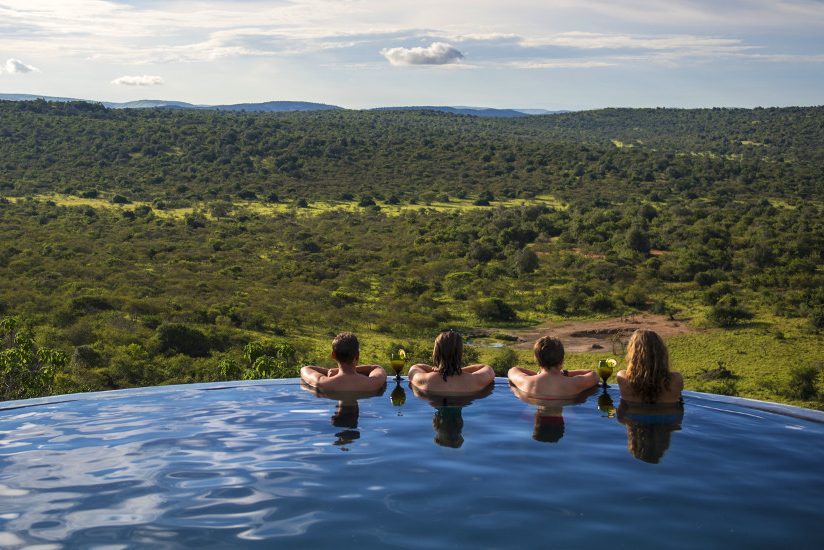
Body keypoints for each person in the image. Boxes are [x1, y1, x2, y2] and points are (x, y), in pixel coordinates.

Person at [507, 336, 598, 398]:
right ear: (562, 360)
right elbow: (594, 375)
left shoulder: (526, 382)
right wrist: (565, 373)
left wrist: (537, 375)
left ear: (537, 361)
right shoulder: (574, 383)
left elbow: (512, 370)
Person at [407, 330, 495, 394]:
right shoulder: (475, 380)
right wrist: (456, 370)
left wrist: (441, 369)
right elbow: (486, 368)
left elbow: (415, 367)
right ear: (460, 352)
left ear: (436, 353)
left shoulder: (423, 380)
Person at [300, 332, 387, 392]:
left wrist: (330, 371)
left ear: (333, 355)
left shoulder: (322, 382)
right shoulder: (373, 383)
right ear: (357, 355)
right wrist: (337, 370)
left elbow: (305, 369)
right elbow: (377, 368)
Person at [616, 329, 683, 404]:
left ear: (633, 354)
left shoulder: (622, 378)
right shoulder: (677, 380)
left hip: (631, 415)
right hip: (666, 415)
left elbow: (621, 412)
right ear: (661, 352)